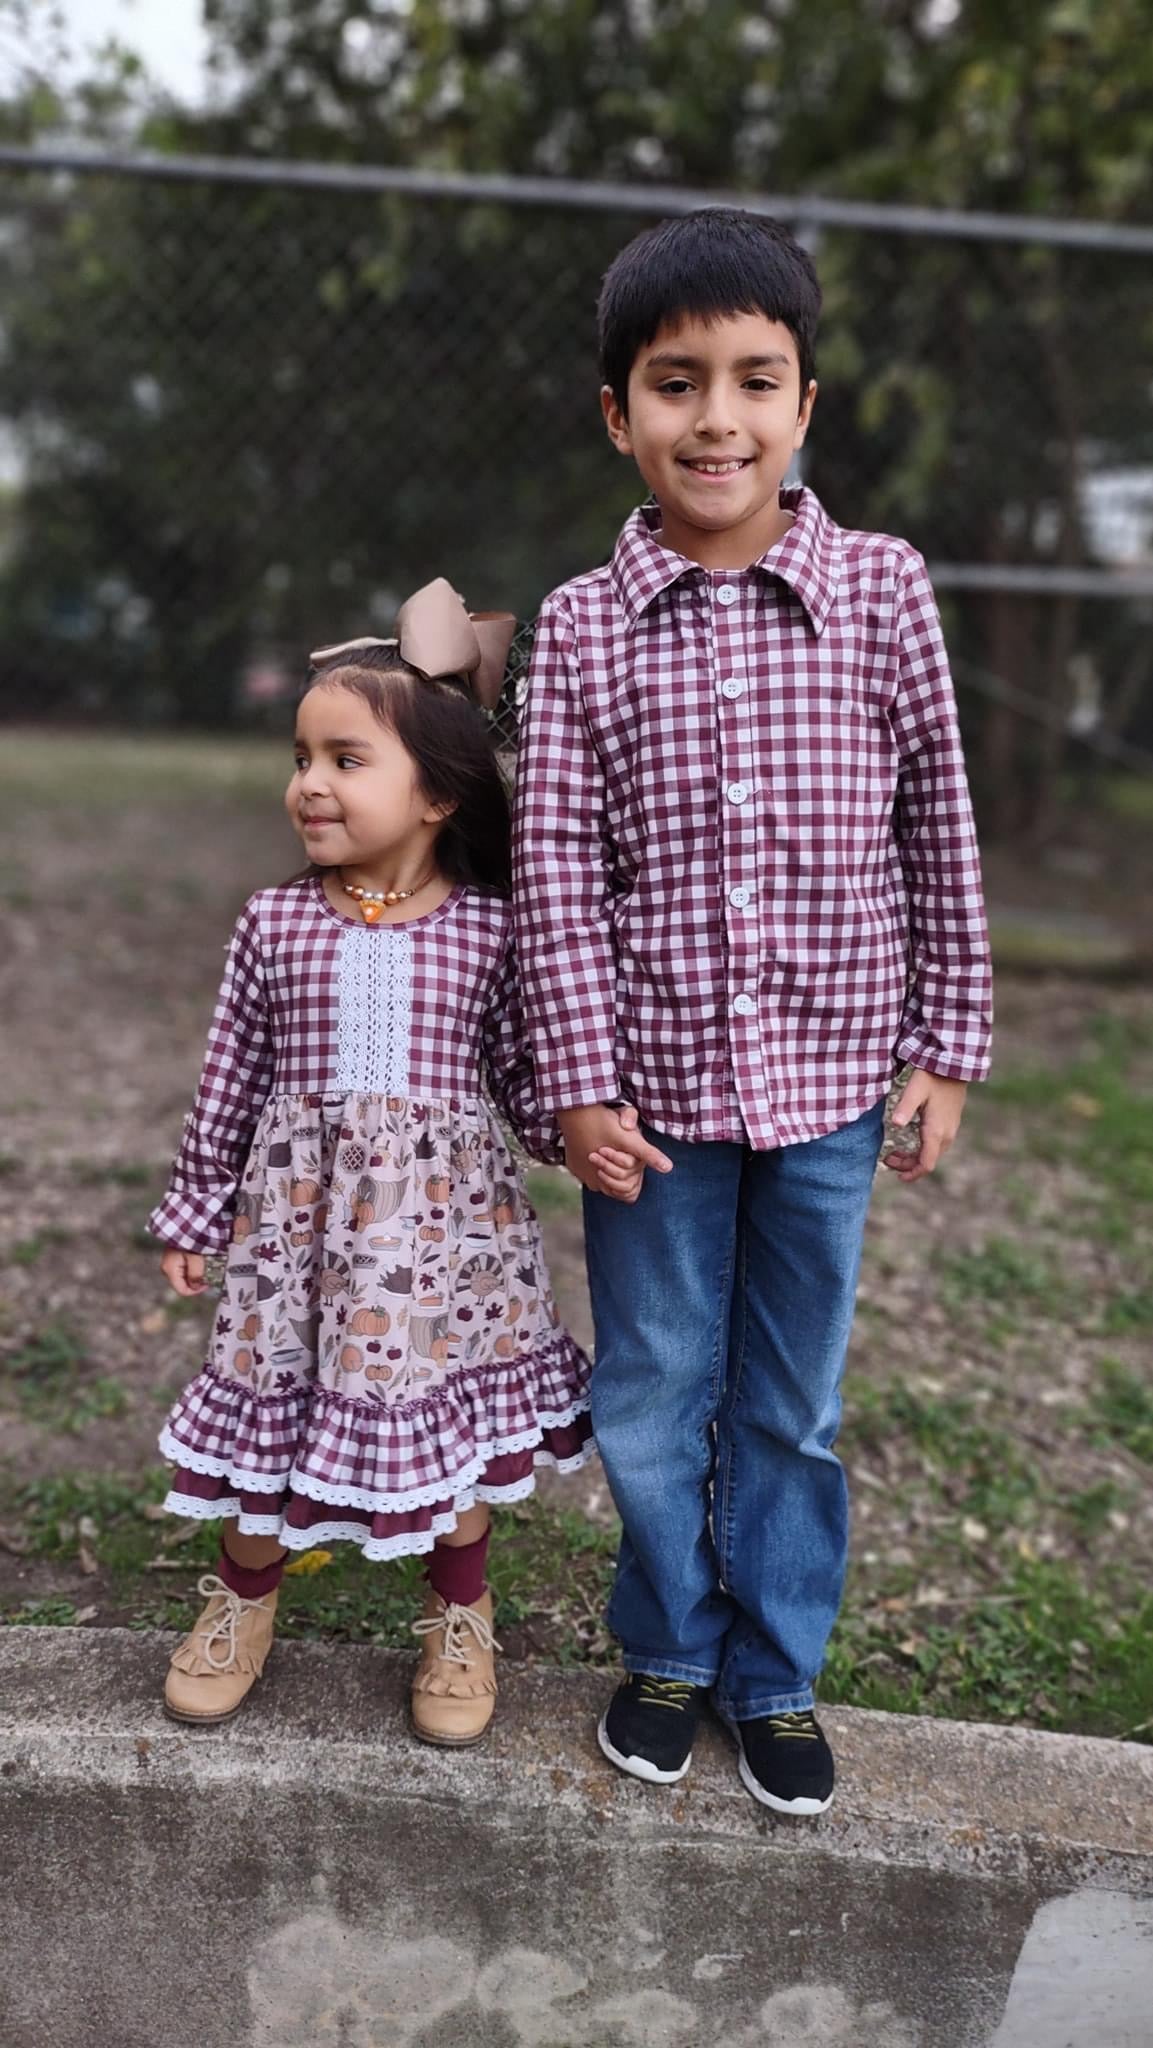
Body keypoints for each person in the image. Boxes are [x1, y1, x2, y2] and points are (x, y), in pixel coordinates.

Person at [513, 208, 992, 1815]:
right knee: (651, 1384)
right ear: (617, 413)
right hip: (645, 1099)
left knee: (791, 1396)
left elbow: (939, 823)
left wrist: (944, 1048)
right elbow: (559, 869)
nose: (712, 417)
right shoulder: (581, 628)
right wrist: (574, 1083)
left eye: (750, 380)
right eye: (673, 382)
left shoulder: (881, 589)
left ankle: (774, 1672)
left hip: (838, 1083)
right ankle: (666, 1643)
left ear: (802, 404)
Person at [150, 580, 602, 1744]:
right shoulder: (273, 923)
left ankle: (460, 1613)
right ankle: (241, 1601)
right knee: (270, 1418)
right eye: (302, 755)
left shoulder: (491, 928)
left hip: (442, 1247)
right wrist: (196, 1207)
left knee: (440, 1429)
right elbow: (229, 1077)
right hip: (294, 1242)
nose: (309, 782)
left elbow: (520, 1068)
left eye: (346, 758)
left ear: (438, 791)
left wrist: (576, 1127)